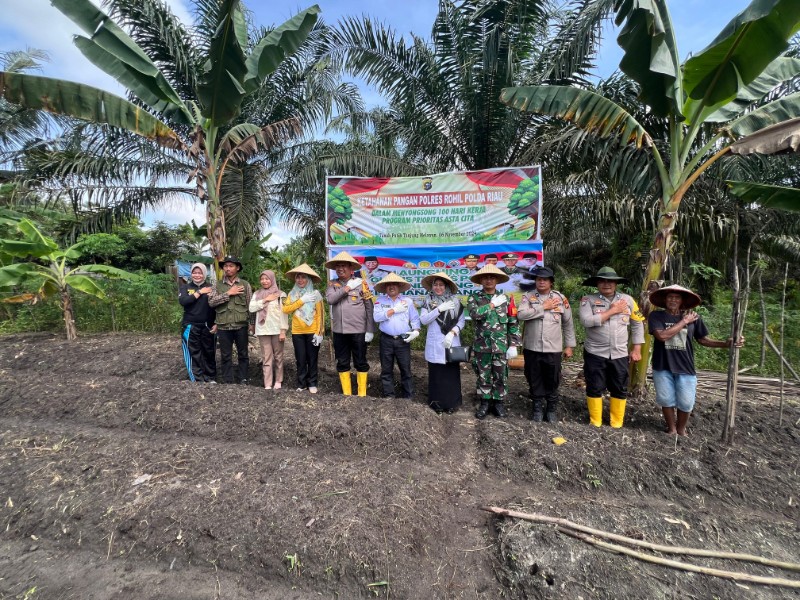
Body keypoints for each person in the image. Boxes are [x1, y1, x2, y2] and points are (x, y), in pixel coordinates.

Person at [648, 284, 744, 436]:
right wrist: (684, 322)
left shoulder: (694, 318)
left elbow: (703, 340)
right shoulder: (657, 316)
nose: (673, 300)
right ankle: (672, 429)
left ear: (682, 301)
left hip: (685, 366)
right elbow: (662, 336)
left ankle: (681, 430)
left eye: (677, 297)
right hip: (662, 365)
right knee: (666, 399)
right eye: (670, 297)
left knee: (686, 402)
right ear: (665, 300)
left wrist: (726, 344)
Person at [579, 266, 645, 427]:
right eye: (602, 281)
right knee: (594, 386)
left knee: (620, 386)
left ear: (616, 283)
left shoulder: (628, 300)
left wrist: (636, 349)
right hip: (595, 352)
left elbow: (637, 324)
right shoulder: (587, 300)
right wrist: (612, 311)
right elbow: (586, 321)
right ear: (597, 284)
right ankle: (595, 422)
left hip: (620, 353)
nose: (606, 284)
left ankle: (616, 423)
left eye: (610, 281)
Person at [518, 266, 576, 422]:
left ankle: (551, 408)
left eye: (545, 279)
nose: (541, 282)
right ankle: (537, 407)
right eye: (538, 279)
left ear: (551, 282)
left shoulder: (560, 298)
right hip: (532, 346)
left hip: (553, 347)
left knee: (553, 377)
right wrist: (543, 307)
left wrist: (569, 346)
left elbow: (568, 324)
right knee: (533, 376)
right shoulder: (528, 297)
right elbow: (521, 314)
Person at [467, 264, 521, 419]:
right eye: (485, 277)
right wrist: (491, 305)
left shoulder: (506, 299)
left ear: (497, 279)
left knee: (500, 375)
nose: (489, 280)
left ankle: (498, 403)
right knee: (483, 375)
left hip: (501, 346)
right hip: (482, 345)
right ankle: (484, 402)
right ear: (481, 280)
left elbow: (513, 322)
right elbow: (474, 314)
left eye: (492, 277)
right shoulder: (474, 298)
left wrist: (513, 344)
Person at [325, 250, 376, 396]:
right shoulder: (332, 284)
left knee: (360, 361)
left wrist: (370, 329)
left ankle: (362, 395)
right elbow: (331, 300)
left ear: (351, 269)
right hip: (340, 331)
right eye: (338, 266)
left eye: (344, 266)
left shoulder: (362, 284)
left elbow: (369, 306)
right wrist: (347, 288)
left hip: (358, 331)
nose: (340, 269)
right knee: (342, 362)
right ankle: (347, 394)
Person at [419, 271, 466, 413]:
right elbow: (424, 320)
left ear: (446, 287)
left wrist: (453, 333)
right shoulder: (427, 301)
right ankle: (437, 404)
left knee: (451, 375)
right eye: (436, 285)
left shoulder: (456, 302)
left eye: (441, 285)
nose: (438, 287)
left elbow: (462, 321)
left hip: (451, 342)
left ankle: (452, 404)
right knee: (437, 376)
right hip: (435, 344)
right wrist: (439, 309)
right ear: (432, 286)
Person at [373, 272, 421, 399]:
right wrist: (393, 310)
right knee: (386, 370)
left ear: (399, 286)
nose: (391, 286)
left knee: (405, 369)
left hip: (403, 340)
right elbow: (377, 317)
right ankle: (389, 396)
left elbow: (415, 318)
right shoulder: (380, 301)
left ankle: (408, 397)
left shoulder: (408, 301)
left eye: (394, 284)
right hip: (386, 339)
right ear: (385, 287)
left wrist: (416, 330)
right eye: (388, 284)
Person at [209, 256, 254, 384]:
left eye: (231, 266)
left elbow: (250, 305)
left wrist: (252, 323)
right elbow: (211, 302)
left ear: (237, 268)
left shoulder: (245, 284)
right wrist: (229, 293)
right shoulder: (217, 284)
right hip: (223, 326)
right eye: (226, 266)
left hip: (241, 325)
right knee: (225, 355)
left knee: (243, 354)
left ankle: (243, 379)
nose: (228, 268)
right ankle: (228, 380)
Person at [282, 263, 325, 394]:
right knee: (300, 359)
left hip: (312, 331)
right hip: (297, 332)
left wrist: (319, 332)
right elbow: (286, 309)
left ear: (308, 279)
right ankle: (301, 384)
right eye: (298, 277)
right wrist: (301, 300)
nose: (300, 280)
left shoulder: (315, 294)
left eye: (303, 277)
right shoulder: (292, 294)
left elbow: (320, 314)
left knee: (312, 358)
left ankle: (312, 383)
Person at [249, 269, 288, 390]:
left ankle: (278, 380)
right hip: (263, 330)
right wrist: (265, 299)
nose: (264, 281)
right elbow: (251, 308)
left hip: (277, 330)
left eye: (267, 279)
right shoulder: (257, 294)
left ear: (272, 279)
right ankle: (267, 383)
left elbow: (284, 313)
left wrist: (283, 330)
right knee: (266, 357)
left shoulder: (281, 294)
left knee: (278, 356)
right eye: (262, 279)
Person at [178, 263, 217, 383]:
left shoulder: (211, 287)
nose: (197, 275)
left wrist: (216, 323)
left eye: (200, 273)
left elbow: (217, 306)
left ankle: (210, 378)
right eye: (194, 272)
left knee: (208, 352)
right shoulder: (185, 287)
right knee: (193, 352)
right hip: (190, 325)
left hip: (207, 325)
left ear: (204, 274)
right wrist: (200, 292)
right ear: (191, 274)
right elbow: (184, 301)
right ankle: (197, 379)